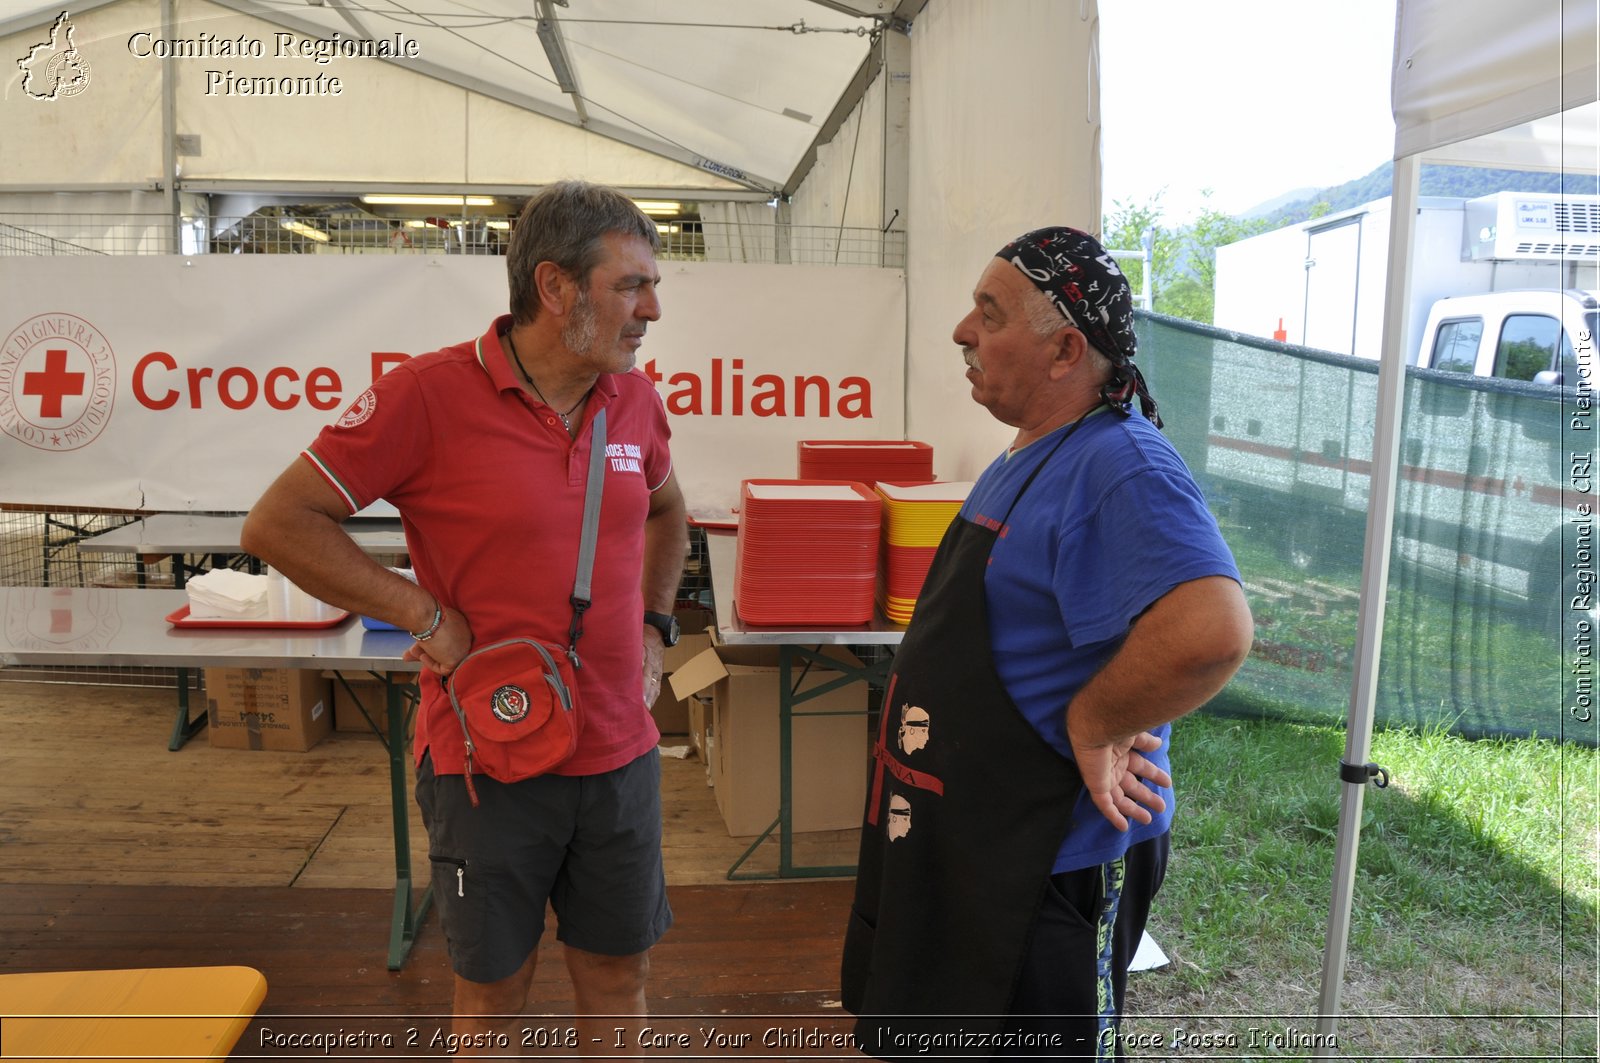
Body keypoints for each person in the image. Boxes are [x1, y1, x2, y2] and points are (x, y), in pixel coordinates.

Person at [241, 181, 688, 1048]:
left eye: (652, 285)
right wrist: (423, 614)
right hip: (488, 756)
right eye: (631, 285)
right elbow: (278, 522)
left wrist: (654, 624)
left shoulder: (633, 398)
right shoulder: (425, 396)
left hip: (620, 750)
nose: (652, 309)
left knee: (619, 977)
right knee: (493, 993)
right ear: (555, 288)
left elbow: (671, 511)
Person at [842, 227, 1254, 1060]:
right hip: (966, 852)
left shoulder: (1120, 462)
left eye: (989, 315)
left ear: (1067, 348)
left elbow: (1213, 628)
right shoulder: (1036, 451)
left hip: (1043, 869)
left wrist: (1097, 722)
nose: (963, 331)